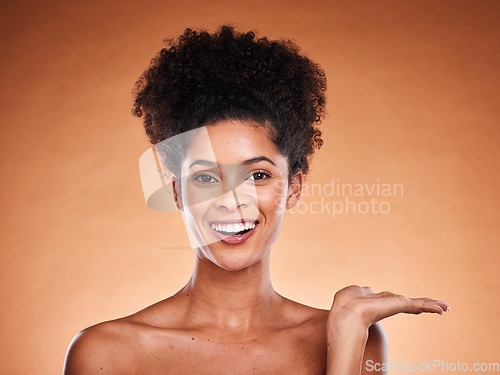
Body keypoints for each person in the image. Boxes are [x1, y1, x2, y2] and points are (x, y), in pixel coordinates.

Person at [63, 25, 449, 375]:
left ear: (294, 188)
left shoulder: (354, 337)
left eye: (258, 175)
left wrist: (347, 339)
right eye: (206, 177)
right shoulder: (106, 355)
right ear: (177, 192)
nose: (232, 201)